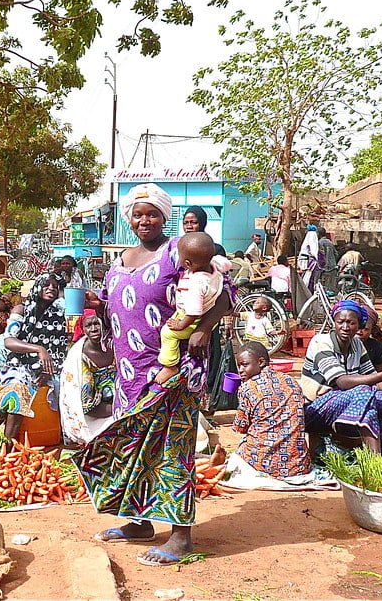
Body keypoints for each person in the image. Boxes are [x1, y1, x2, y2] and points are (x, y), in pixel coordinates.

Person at [74, 183, 231, 567]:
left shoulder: (181, 252)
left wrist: (204, 328)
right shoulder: (121, 258)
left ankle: (180, 537)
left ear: (165, 216)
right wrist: (98, 302)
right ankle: (139, 521)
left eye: (153, 214)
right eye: (138, 214)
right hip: (129, 370)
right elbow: (122, 303)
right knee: (133, 445)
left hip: (173, 368)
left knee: (172, 448)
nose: (145, 220)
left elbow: (223, 295)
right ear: (129, 218)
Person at [302, 301, 382, 454]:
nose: (345, 327)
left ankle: (378, 449)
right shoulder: (321, 342)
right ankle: (374, 459)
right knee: (362, 391)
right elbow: (342, 382)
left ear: (358, 325)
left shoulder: (356, 344)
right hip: (314, 410)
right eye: (340, 322)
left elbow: (373, 381)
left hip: (344, 400)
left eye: (351, 323)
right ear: (334, 322)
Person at [0, 273, 70, 442]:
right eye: (46, 285)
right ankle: (8, 444)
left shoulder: (58, 315)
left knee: (68, 386)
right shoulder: (21, 309)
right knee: (18, 391)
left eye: (55, 287)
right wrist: (38, 349)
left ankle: (64, 437)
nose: (51, 289)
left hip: (48, 368)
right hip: (19, 364)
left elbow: (60, 350)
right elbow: (9, 341)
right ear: (37, 286)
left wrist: (49, 371)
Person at [232, 341, 311, 479]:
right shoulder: (291, 381)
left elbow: (240, 427)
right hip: (298, 466)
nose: (240, 370)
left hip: (261, 463)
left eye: (244, 365)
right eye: (238, 365)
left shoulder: (247, 388)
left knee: (241, 447)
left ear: (261, 362)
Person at [159, 232, 231, 379]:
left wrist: (180, 325)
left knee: (167, 334)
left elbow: (194, 312)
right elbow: (227, 263)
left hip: (193, 319)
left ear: (187, 264)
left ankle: (169, 365)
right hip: (207, 309)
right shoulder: (214, 264)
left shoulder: (196, 285)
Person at [59, 311, 116, 445]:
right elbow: (88, 406)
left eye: (97, 323)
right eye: (88, 325)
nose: (94, 329)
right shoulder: (81, 357)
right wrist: (119, 409)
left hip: (115, 403)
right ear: (83, 329)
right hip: (95, 414)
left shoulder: (113, 345)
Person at [358, 305, 382, 372]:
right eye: (357, 327)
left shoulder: (378, 348)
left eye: (365, 329)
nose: (359, 332)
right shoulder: (341, 346)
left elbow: (380, 376)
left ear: (372, 330)